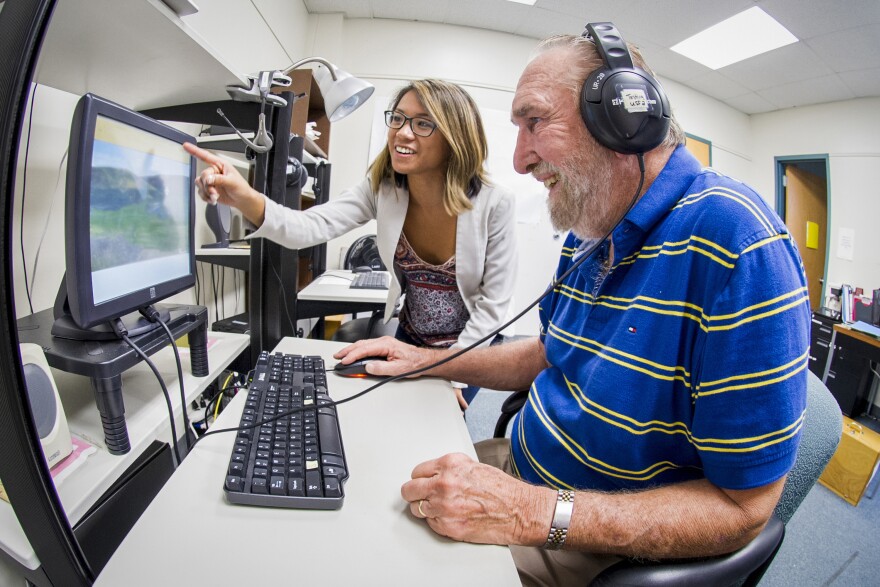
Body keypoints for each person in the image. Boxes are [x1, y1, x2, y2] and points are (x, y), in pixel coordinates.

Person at [333, 29, 811, 586]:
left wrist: (532, 512)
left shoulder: (738, 245)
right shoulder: (591, 234)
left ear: (623, 117)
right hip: (520, 468)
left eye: (534, 122)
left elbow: (744, 511)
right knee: (357, 495)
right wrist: (426, 362)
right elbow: (548, 354)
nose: (518, 159)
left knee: (373, 569)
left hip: (585, 539)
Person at [184, 79, 517, 406]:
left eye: (423, 124)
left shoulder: (495, 204)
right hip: (410, 337)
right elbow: (306, 227)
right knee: (395, 414)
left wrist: (456, 375)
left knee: (441, 429)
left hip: (472, 346)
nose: (402, 132)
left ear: (455, 137)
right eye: (398, 118)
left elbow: (492, 307)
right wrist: (245, 198)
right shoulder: (382, 189)